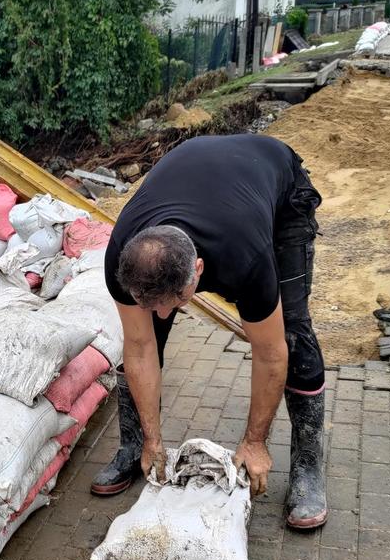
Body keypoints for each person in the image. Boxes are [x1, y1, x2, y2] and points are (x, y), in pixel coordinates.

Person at [93, 134, 329, 530]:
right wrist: (155, 439)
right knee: (146, 331)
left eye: (177, 300)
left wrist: (254, 442)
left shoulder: (243, 258)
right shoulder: (124, 257)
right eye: (153, 301)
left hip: (276, 184)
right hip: (207, 181)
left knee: (292, 333)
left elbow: (270, 353)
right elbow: (138, 347)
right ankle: (135, 447)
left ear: (199, 270)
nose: (166, 312)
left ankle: (308, 466)